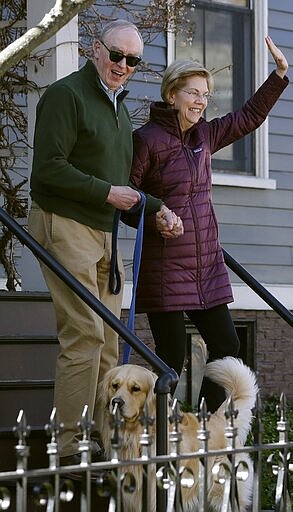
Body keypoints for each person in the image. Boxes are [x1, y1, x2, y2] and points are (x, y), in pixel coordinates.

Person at [28, 19, 174, 465]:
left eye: (133, 60)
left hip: (104, 231)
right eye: (117, 55)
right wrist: (107, 193)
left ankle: (106, 444)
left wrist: (156, 207)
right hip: (65, 223)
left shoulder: (119, 108)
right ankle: (70, 450)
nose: (123, 66)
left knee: (111, 341)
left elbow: (118, 183)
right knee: (86, 335)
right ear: (96, 49)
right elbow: (47, 170)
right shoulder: (66, 96)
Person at [128, 36, 289, 413]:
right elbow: (127, 199)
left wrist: (278, 75)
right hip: (165, 266)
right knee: (171, 357)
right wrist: (155, 217)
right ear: (172, 94)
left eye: (205, 94)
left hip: (206, 267)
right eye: (193, 93)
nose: (201, 101)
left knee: (227, 346)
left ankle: (202, 429)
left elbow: (248, 117)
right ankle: (157, 436)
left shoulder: (205, 135)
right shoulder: (146, 141)